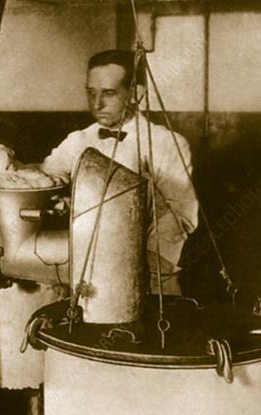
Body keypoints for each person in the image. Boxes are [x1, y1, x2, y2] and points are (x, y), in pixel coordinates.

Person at [41, 49, 199, 295]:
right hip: (85, 271)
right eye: (91, 93)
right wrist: (11, 167)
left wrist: (150, 261)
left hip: (149, 275)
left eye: (109, 93)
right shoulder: (78, 140)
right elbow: (44, 179)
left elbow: (182, 214)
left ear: (136, 94)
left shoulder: (166, 143)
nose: (97, 104)